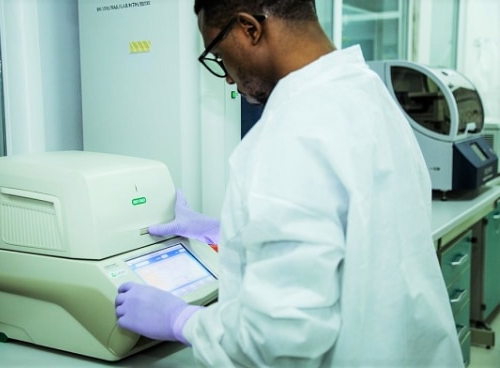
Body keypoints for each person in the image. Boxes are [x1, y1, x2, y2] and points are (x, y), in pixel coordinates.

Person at [115, 1, 464, 366]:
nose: (229, 78)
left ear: (250, 29)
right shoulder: (367, 92)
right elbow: (361, 225)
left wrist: (181, 320)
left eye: (219, 55)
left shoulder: (291, 131)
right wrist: (231, 233)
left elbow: (279, 340)